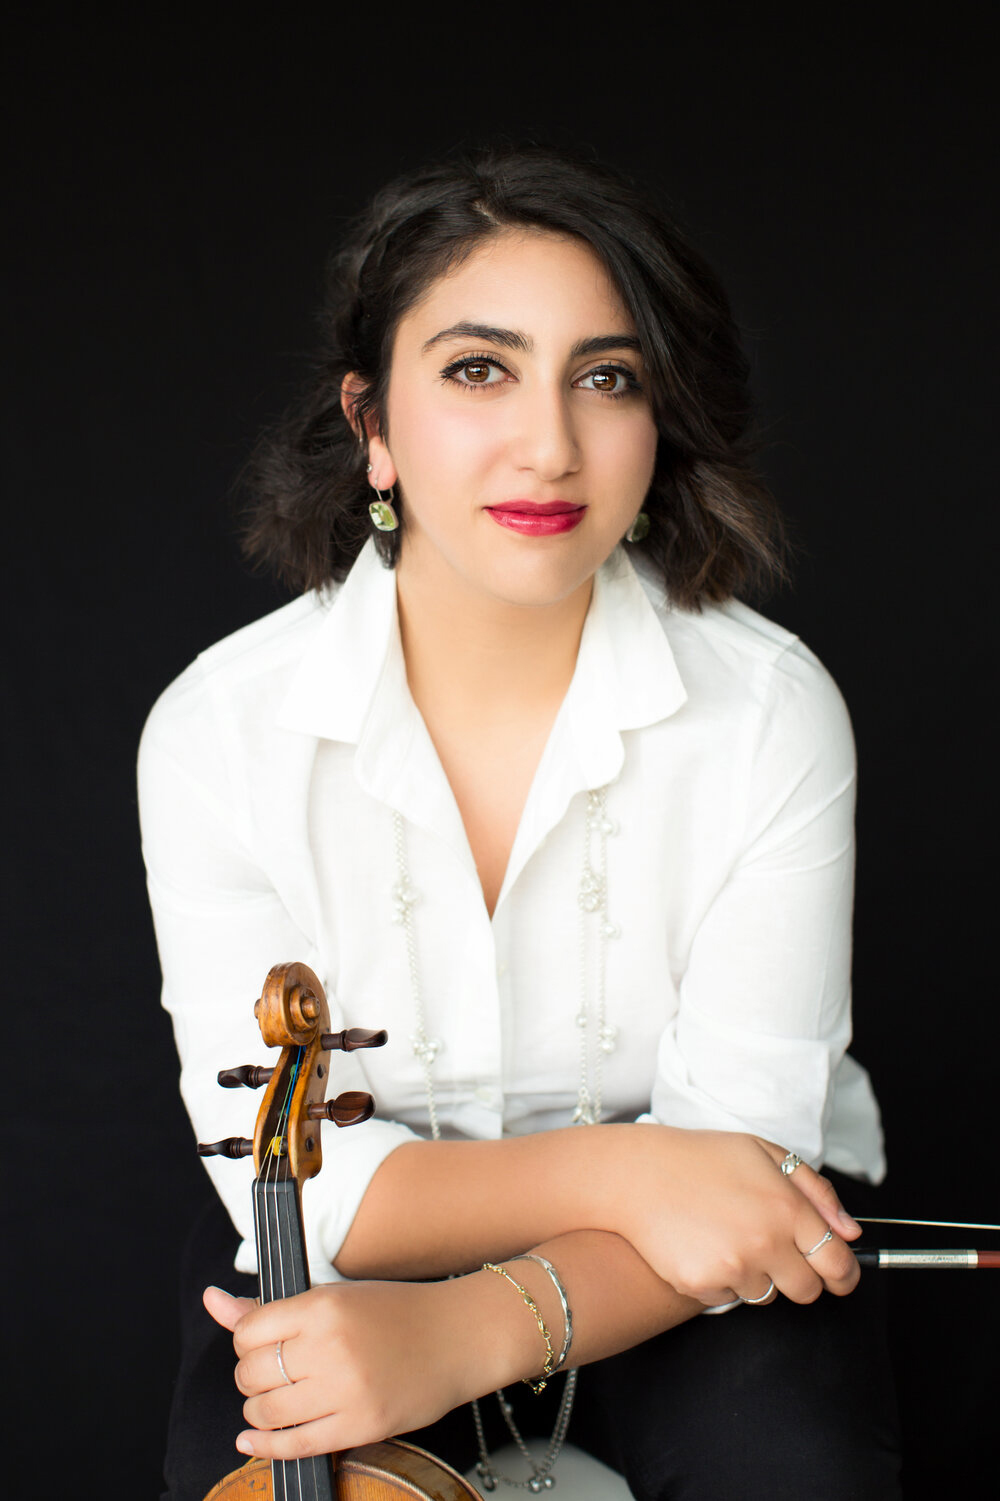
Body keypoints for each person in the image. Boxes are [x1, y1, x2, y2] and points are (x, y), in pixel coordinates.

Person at [139, 143, 901, 1499]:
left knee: (793, 1469)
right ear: (371, 422)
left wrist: (471, 1333)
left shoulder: (770, 710)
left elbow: (742, 1173)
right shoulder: (218, 732)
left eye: (607, 379)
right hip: (373, 1253)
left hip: (693, 1270)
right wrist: (635, 1172)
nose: (550, 445)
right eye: (479, 369)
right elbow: (319, 1187)